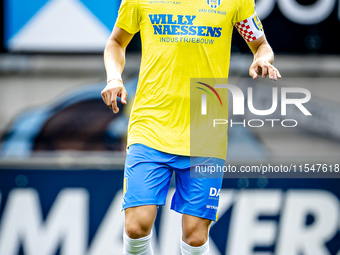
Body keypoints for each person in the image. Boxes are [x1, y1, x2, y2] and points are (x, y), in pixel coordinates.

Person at [101, 0, 281, 254]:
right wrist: (113, 78)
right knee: (137, 225)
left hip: (205, 130)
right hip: (151, 123)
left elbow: (261, 45)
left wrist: (261, 59)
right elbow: (116, 43)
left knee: (195, 236)